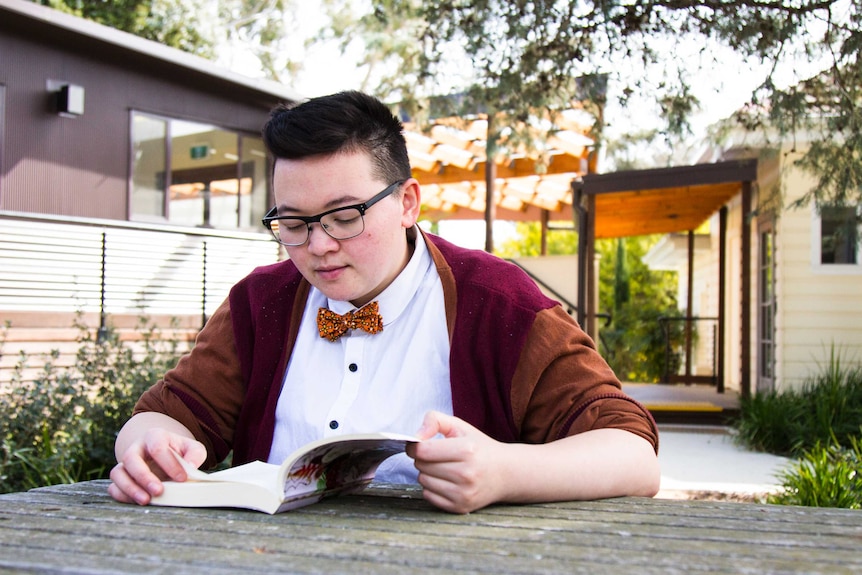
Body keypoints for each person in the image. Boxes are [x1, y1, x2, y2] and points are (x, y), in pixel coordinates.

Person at [109, 91, 660, 514]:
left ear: (407, 203)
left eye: (345, 216)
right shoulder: (260, 303)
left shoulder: (500, 304)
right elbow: (165, 416)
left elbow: (633, 454)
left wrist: (504, 470)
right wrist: (150, 446)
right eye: (293, 223)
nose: (319, 245)